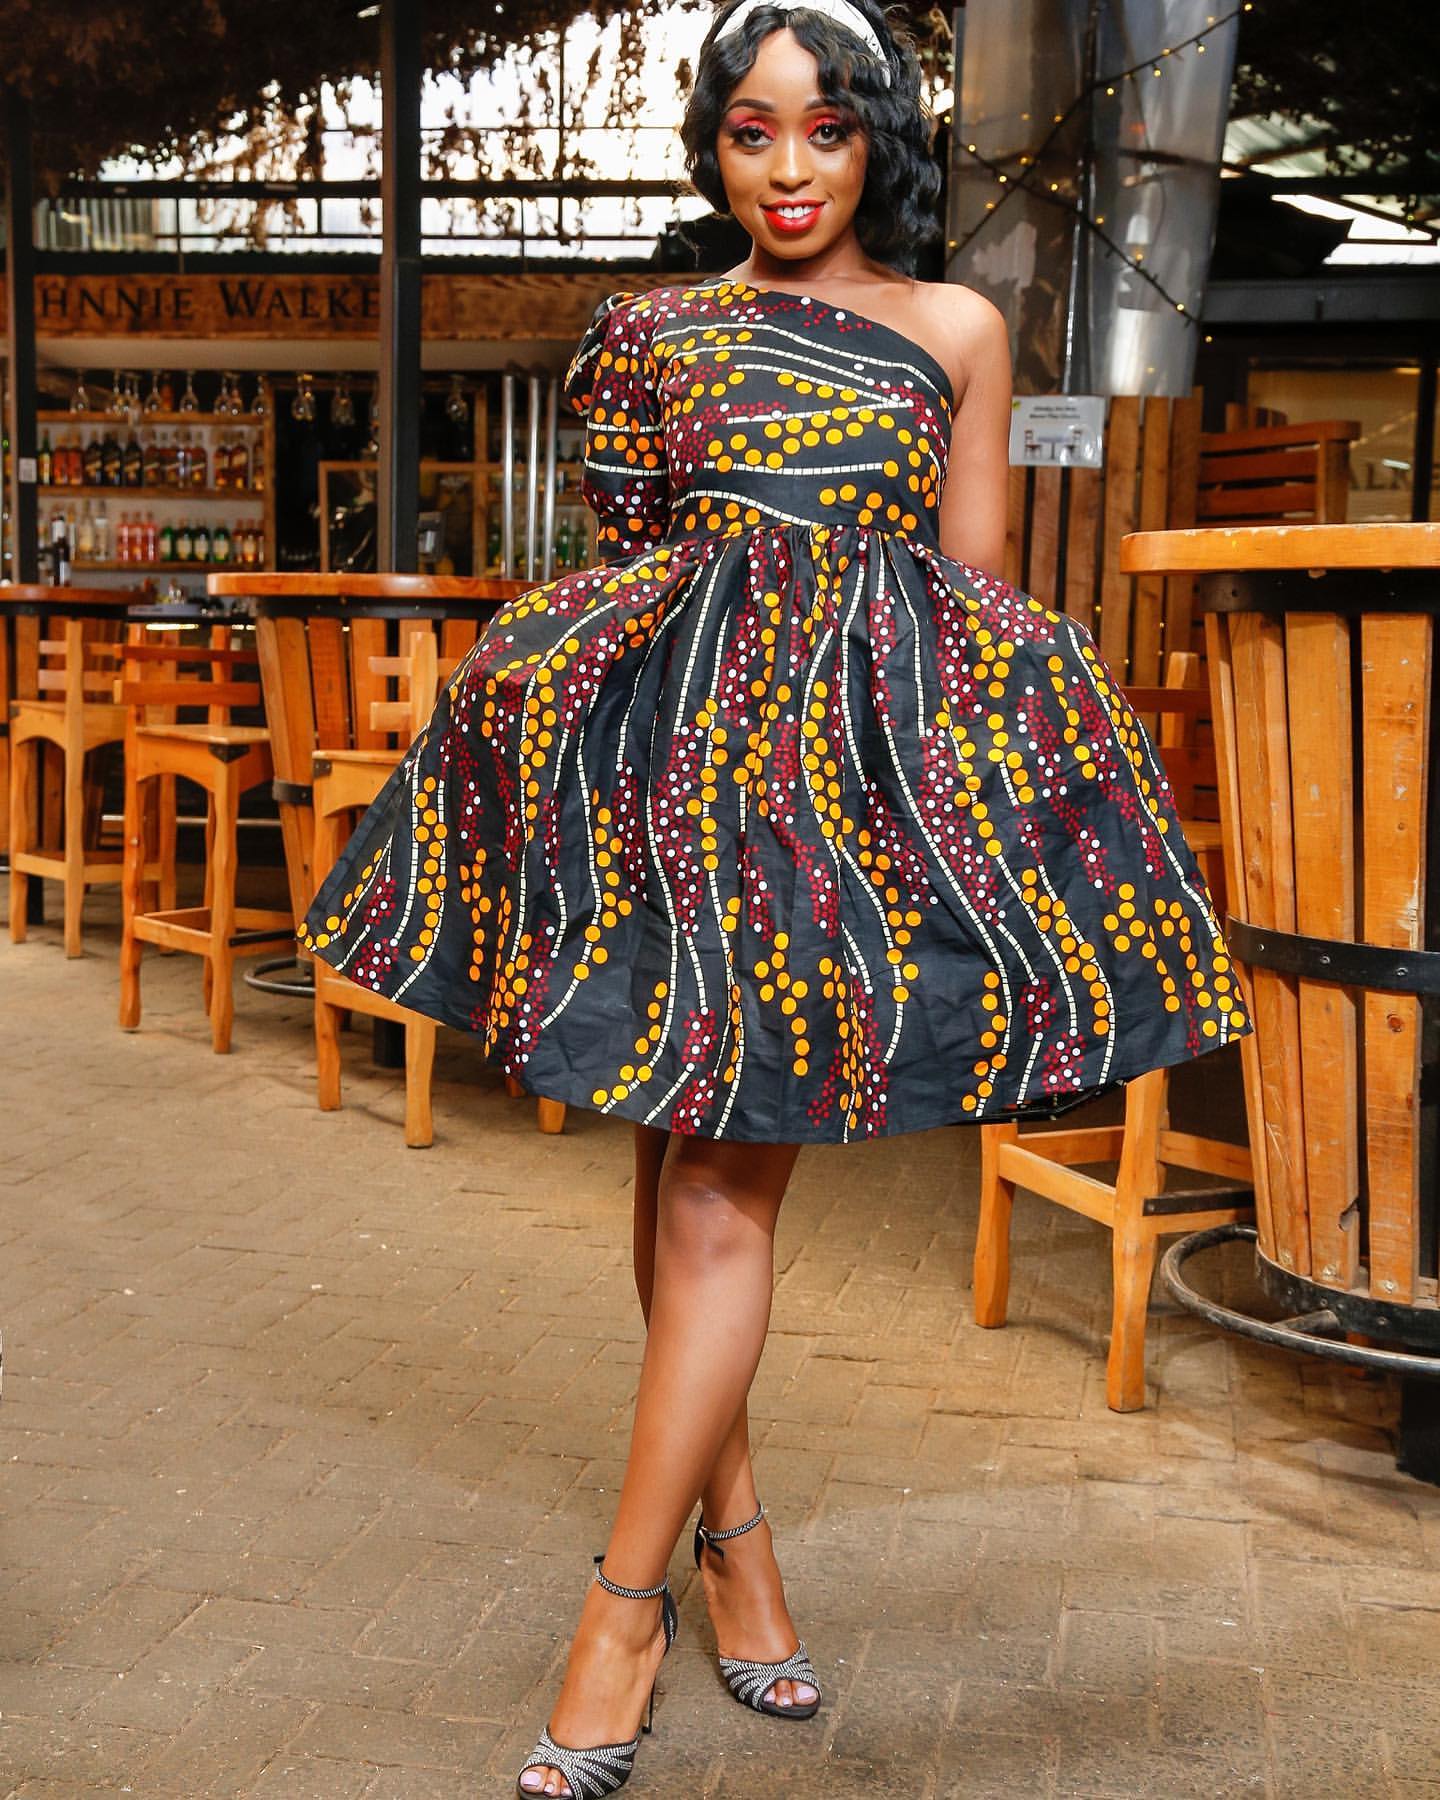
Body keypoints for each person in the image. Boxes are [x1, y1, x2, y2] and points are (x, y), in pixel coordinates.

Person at [300, 2, 1251, 1792]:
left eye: (826, 130)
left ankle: (621, 1612)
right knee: (679, 1166)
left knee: (720, 1185)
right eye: (753, 132)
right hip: (681, 778)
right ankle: (736, 1549)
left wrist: (969, 828)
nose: (791, 169)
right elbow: (633, 565)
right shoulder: (649, 331)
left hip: (833, 803)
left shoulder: (957, 325)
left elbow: (968, 587)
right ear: (715, 149)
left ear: (879, 140)